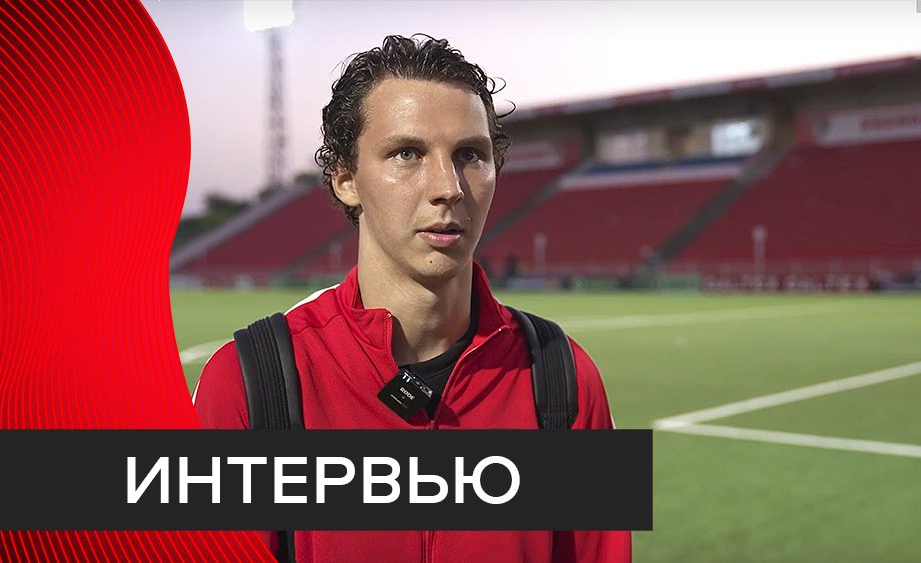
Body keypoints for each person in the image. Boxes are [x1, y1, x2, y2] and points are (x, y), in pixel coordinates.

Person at [192, 34, 631, 563]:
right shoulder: (248, 383)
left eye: (470, 155)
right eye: (407, 153)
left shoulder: (564, 379)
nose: (449, 187)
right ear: (346, 179)